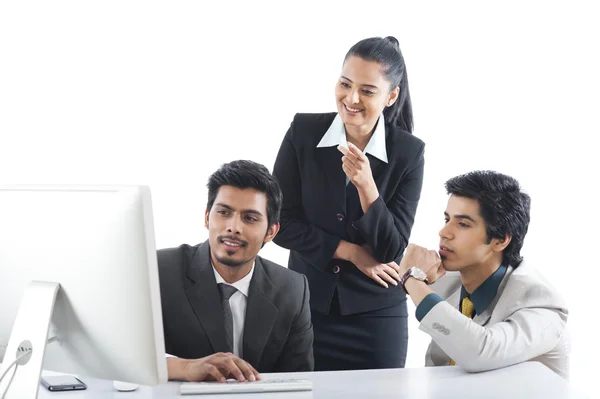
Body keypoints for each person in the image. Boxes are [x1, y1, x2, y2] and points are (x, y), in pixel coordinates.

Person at [272, 36, 424, 370]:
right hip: (306, 308)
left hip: (376, 315)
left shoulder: (409, 153)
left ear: (391, 96)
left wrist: (367, 186)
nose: (351, 98)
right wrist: (351, 251)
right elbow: (278, 223)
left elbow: (390, 249)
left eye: (368, 91)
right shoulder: (303, 132)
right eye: (345, 84)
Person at [397, 171, 570, 378]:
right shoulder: (445, 282)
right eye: (447, 219)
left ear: (500, 240)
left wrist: (412, 280)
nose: (444, 232)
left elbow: (480, 351)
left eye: (463, 224)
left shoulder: (541, 303)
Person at [158, 160, 314, 383]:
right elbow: (125, 355)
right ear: (206, 217)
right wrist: (185, 367)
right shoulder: (160, 271)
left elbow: (298, 381)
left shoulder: (293, 290)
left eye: (249, 218)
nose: (233, 227)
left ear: (271, 231)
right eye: (223, 212)